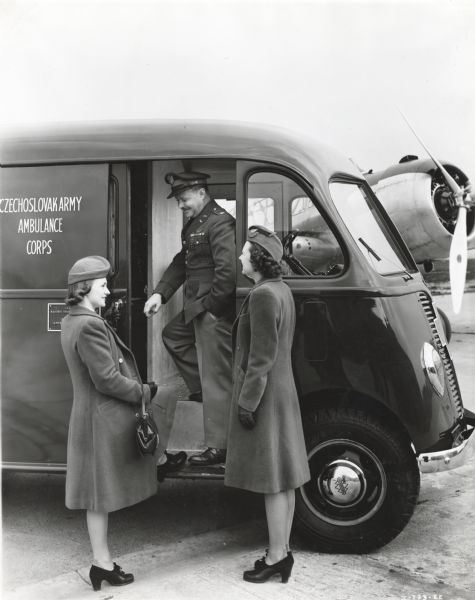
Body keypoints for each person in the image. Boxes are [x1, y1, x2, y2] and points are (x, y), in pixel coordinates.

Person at [61, 256, 157, 592]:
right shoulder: (89, 325)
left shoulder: (74, 320)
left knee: (96, 497)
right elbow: (107, 380)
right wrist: (145, 391)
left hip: (88, 418)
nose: (108, 291)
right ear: (85, 288)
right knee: (98, 497)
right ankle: (101, 563)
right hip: (99, 420)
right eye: (103, 286)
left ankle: (101, 563)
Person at [224, 226, 311, 584]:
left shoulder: (262, 295)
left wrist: (247, 403)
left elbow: (260, 357)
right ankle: (282, 551)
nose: (241, 257)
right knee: (285, 479)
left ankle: (276, 556)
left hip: (266, 396)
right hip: (282, 391)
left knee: (273, 481)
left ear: (258, 260)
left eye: (245, 252)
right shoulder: (281, 290)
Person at [144, 171, 236, 468]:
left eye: (184, 199)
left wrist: (212, 308)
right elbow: (181, 263)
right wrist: (160, 293)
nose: (181, 206)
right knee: (174, 336)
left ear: (200, 192)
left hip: (210, 310)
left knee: (216, 376)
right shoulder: (197, 223)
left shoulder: (219, 221)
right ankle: (202, 390)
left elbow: (228, 273)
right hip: (197, 307)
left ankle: (219, 446)